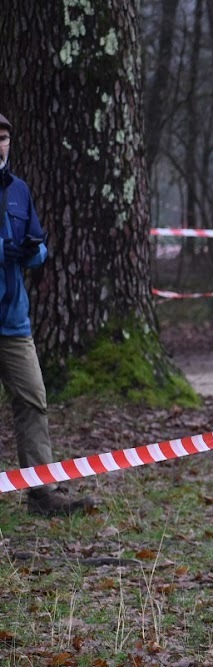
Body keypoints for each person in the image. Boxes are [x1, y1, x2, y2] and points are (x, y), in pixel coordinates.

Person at [0, 112, 94, 517]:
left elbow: (37, 245)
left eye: (3, 137)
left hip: (13, 321)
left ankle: (41, 494)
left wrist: (33, 251)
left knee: (33, 400)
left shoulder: (19, 190)